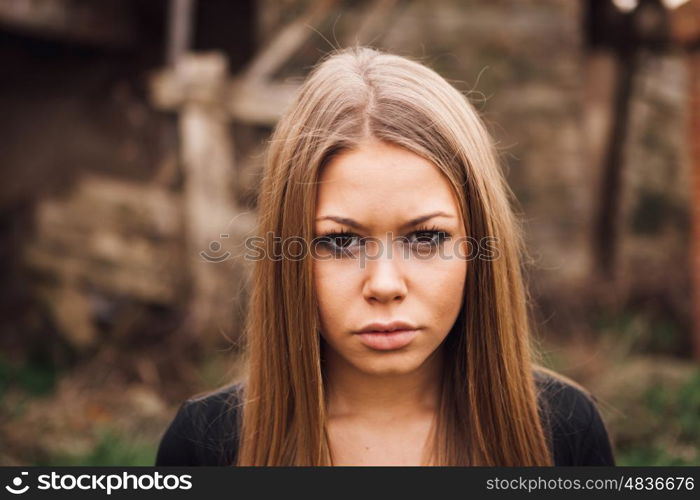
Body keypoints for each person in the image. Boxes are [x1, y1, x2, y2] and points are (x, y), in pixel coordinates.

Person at [155, 46, 615, 466]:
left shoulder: (561, 432)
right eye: (339, 242)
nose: (385, 285)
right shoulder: (206, 447)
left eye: (427, 238)